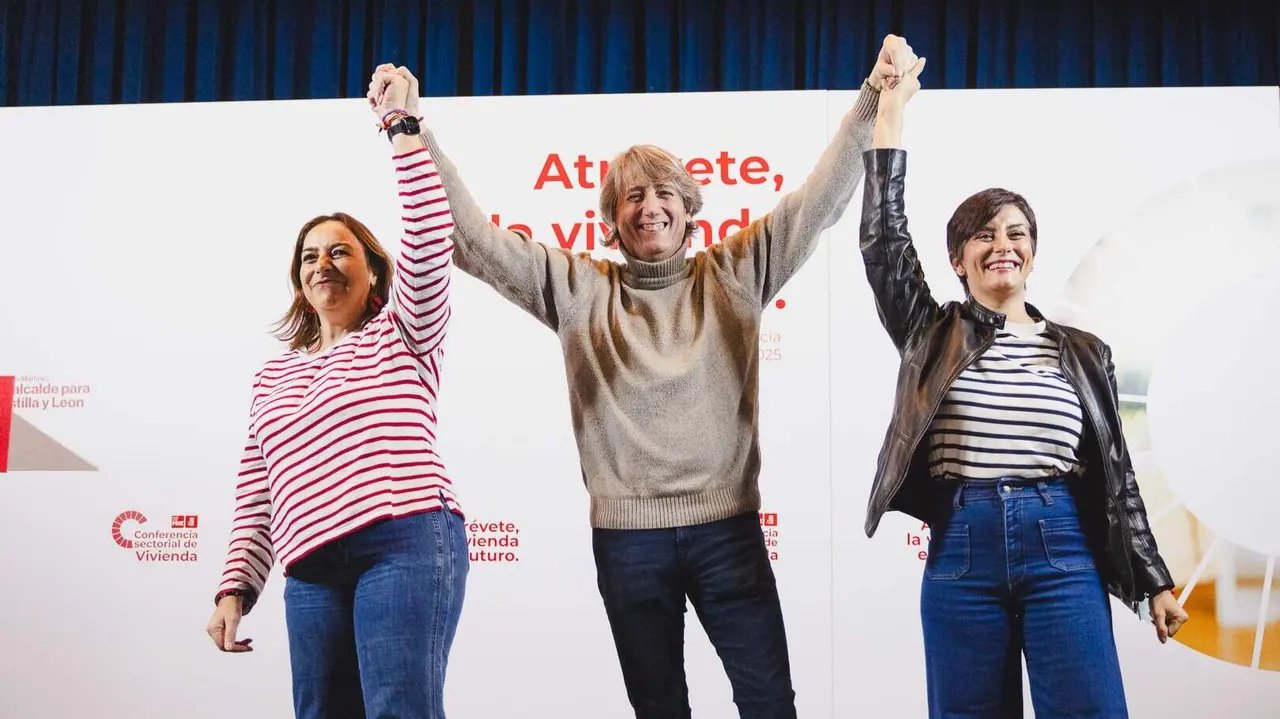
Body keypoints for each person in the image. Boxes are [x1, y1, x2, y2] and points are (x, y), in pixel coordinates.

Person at [371, 34, 914, 719]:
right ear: (613, 221)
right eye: (632, 197)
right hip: (628, 541)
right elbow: (472, 239)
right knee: (659, 709)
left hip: (729, 531)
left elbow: (822, 198)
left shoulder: (735, 273)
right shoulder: (578, 288)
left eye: (663, 193)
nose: (649, 206)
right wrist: (410, 129)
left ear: (689, 208)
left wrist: (873, 96)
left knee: (770, 703)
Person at [856, 53, 1191, 717]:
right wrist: (890, 113)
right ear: (959, 260)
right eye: (983, 235)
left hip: (1061, 545)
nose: (1002, 244)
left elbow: (1118, 476)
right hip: (962, 547)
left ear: (1032, 252)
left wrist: (1152, 579)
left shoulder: (1084, 353)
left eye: (1016, 233)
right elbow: (884, 241)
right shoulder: (931, 332)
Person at [205, 67, 468, 719]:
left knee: (400, 710)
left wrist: (400, 126)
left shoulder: (404, 331)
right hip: (310, 566)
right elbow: (258, 492)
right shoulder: (271, 377)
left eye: (341, 252)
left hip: (403, 539)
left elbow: (430, 236)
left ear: (375, 272)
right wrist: (234, 587)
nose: (322, 263)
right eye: (309, 256)